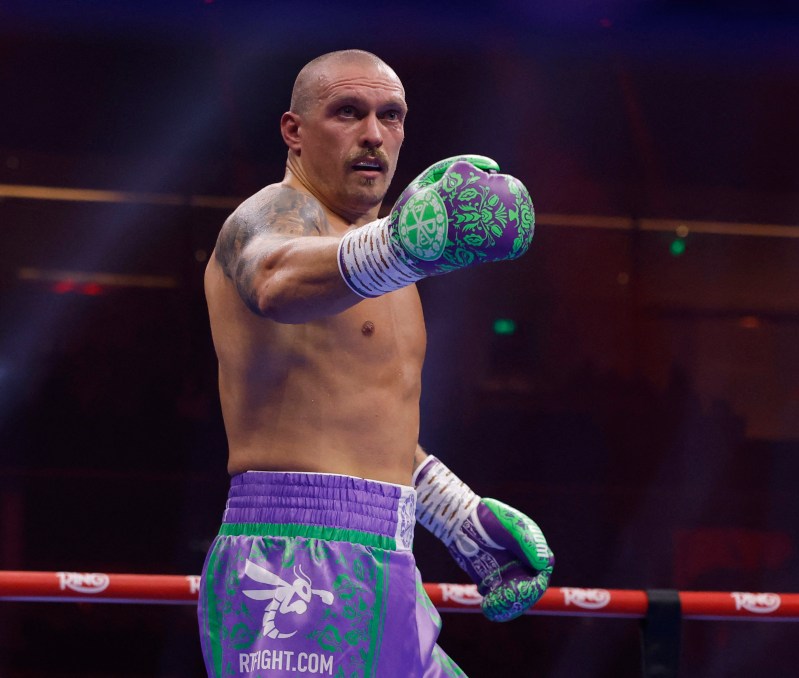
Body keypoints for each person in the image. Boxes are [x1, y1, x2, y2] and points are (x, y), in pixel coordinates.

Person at [198, 49, 554, 678]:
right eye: (347, 112)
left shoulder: (394, 262)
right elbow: (273, 280)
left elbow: (363, 426)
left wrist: (460, 518)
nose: (372, 134)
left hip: (388, 553)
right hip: (292, 563)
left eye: (390, 116)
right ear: (294, 131)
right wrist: (396, 246)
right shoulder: (271, 216)